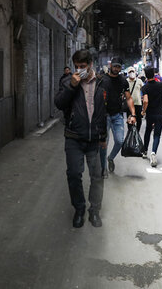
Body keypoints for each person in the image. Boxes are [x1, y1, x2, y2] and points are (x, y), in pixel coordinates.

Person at [55, 49, 107, 228]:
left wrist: (103, 137)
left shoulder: (101, 83)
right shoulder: (67, 82)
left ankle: (94, 211)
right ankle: (79, 209)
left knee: (97, 176)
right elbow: (59, 103)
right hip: (73, 137)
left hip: (94, 140)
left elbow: (102, 113)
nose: (79, 70)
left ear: (90, 64)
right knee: (74, 175)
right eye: (76, 66)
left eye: (82, 66)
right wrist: (72, 86)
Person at [100, 57, 136, 176]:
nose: (116, 69)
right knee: (104, 142)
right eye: (114, 66)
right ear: (111, 66)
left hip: (117, 115)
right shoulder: (103, 80)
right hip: (104, 116)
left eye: (118, 67)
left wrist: (133, 114)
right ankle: (103, 168)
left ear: (121, 68)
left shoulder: (123, 81)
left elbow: (129, 98)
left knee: (119, 141)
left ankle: (110, 158)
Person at [141, 66, 162, 166]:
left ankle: (144, 151)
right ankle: (153, 153)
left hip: (150, 114)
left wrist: (143, 111)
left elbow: (146, 101)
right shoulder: (160, 85)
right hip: (160, 113)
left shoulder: (145, 87)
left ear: (146, 76)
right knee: (157, 134)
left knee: (148, 131)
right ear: (154, 74)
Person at [126, 66, 144, 133]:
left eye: (133, 71)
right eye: (130, 72)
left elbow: (143, 89)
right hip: (129, 104)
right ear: (128, 73)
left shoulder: (139, 81)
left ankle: (137, 132)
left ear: (135, 72)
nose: (132, 73)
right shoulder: (126, 81)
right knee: (130, 119)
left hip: (138, 103)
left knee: (139, 119)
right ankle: (130, 132)